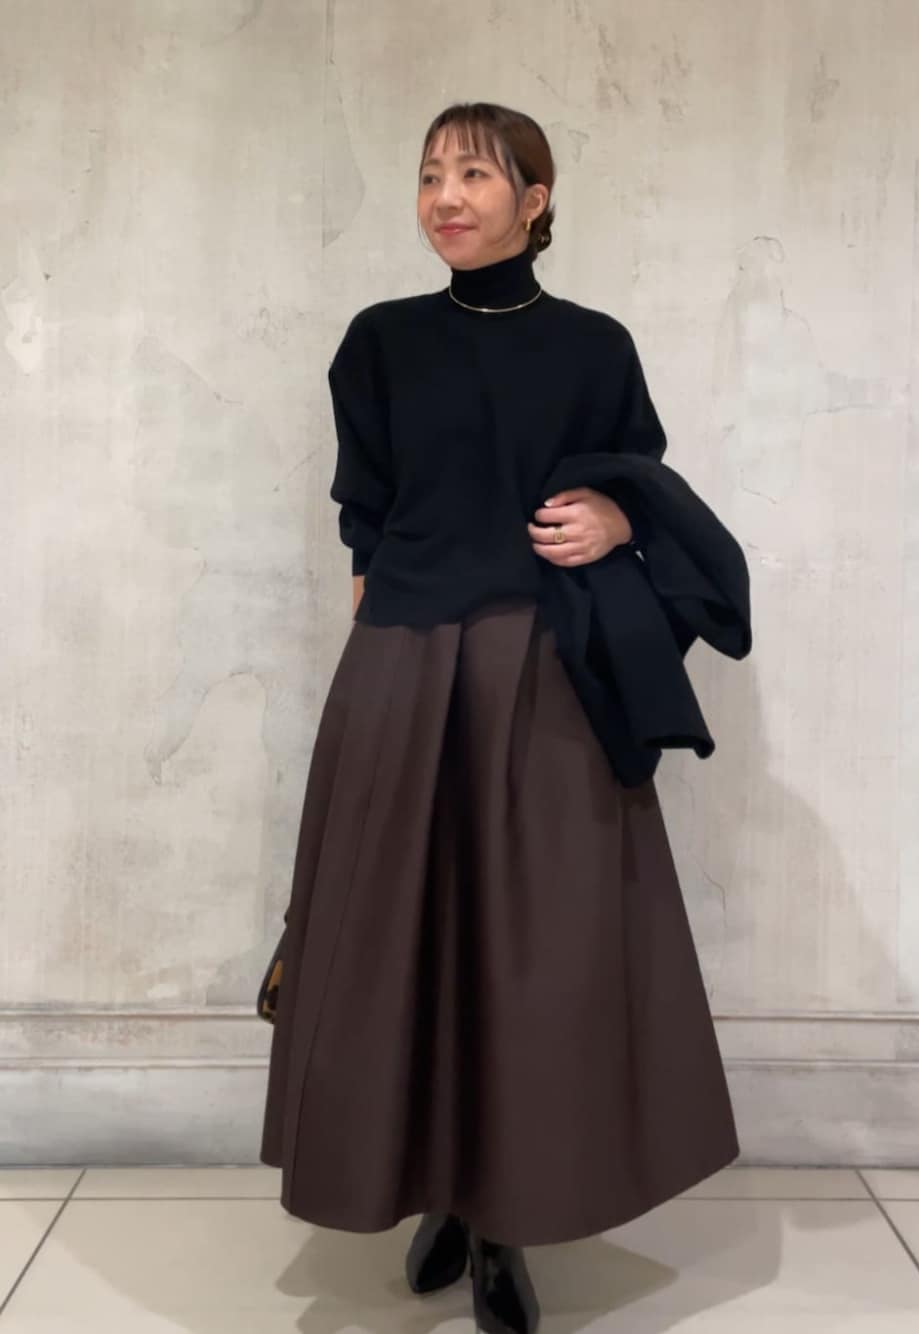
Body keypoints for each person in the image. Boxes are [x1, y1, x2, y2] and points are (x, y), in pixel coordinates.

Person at [260, 101, 741, 1334]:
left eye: (475, 173)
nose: (446, 196)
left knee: (533, 953)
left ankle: (502, 1216)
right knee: (402, 942)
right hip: (403, 659)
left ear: (535, 199)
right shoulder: (380, 340)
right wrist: (375, 638)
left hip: (539, 664)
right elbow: (365, 512)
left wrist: (618, 521)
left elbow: (638, 476)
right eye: (429, 173)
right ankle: (436, 1189)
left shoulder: (593, 345)